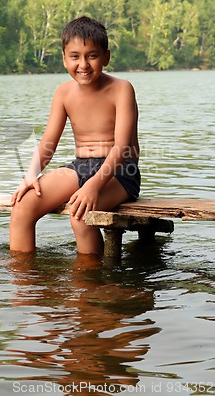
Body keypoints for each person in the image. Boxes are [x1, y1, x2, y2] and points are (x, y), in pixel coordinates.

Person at [10, 16, 140, 255]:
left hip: (120, 172)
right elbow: (48, 143)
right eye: (75, 56)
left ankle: (90, 282)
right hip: (81, 166)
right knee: (22, 206)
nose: (83, 64)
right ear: (64, 58)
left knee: (80, 215)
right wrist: (31, 173)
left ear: (106, 57)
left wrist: (93, 186)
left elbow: (122, 147)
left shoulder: (121, 89)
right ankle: (24, 280)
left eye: (92, 56)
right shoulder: (63, 93)